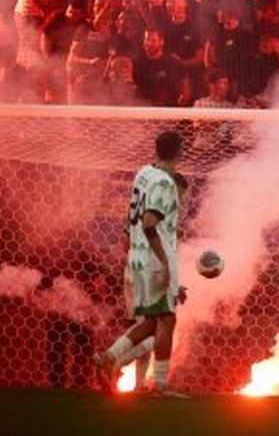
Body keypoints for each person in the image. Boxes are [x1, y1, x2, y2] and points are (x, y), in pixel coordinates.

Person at [93, 130, 189, 397]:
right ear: (180, 152)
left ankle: (110, 357)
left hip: (135, 257)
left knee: (150, 321)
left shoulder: (143, 173)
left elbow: (132, 218)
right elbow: (149, 223)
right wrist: (164, 263)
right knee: (167, 320)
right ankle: (161, 383)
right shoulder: (165, 183)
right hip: (153, 258)